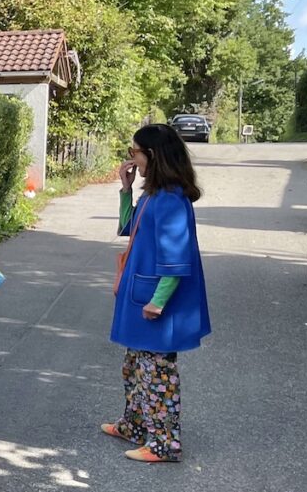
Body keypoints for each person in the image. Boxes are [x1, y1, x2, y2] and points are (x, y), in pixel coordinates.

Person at [103, 123, 211, 462]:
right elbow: (128, 227)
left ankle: (165, 445)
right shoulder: (153, 195)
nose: (129, 157)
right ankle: (134, 426)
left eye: (134, 151)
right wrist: (126, 189)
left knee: (158, 375)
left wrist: (158, 302)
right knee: (135, 368)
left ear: (152, 155)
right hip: (142, 297)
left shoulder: (171, 200)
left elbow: (176, 259)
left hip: (155, 305)